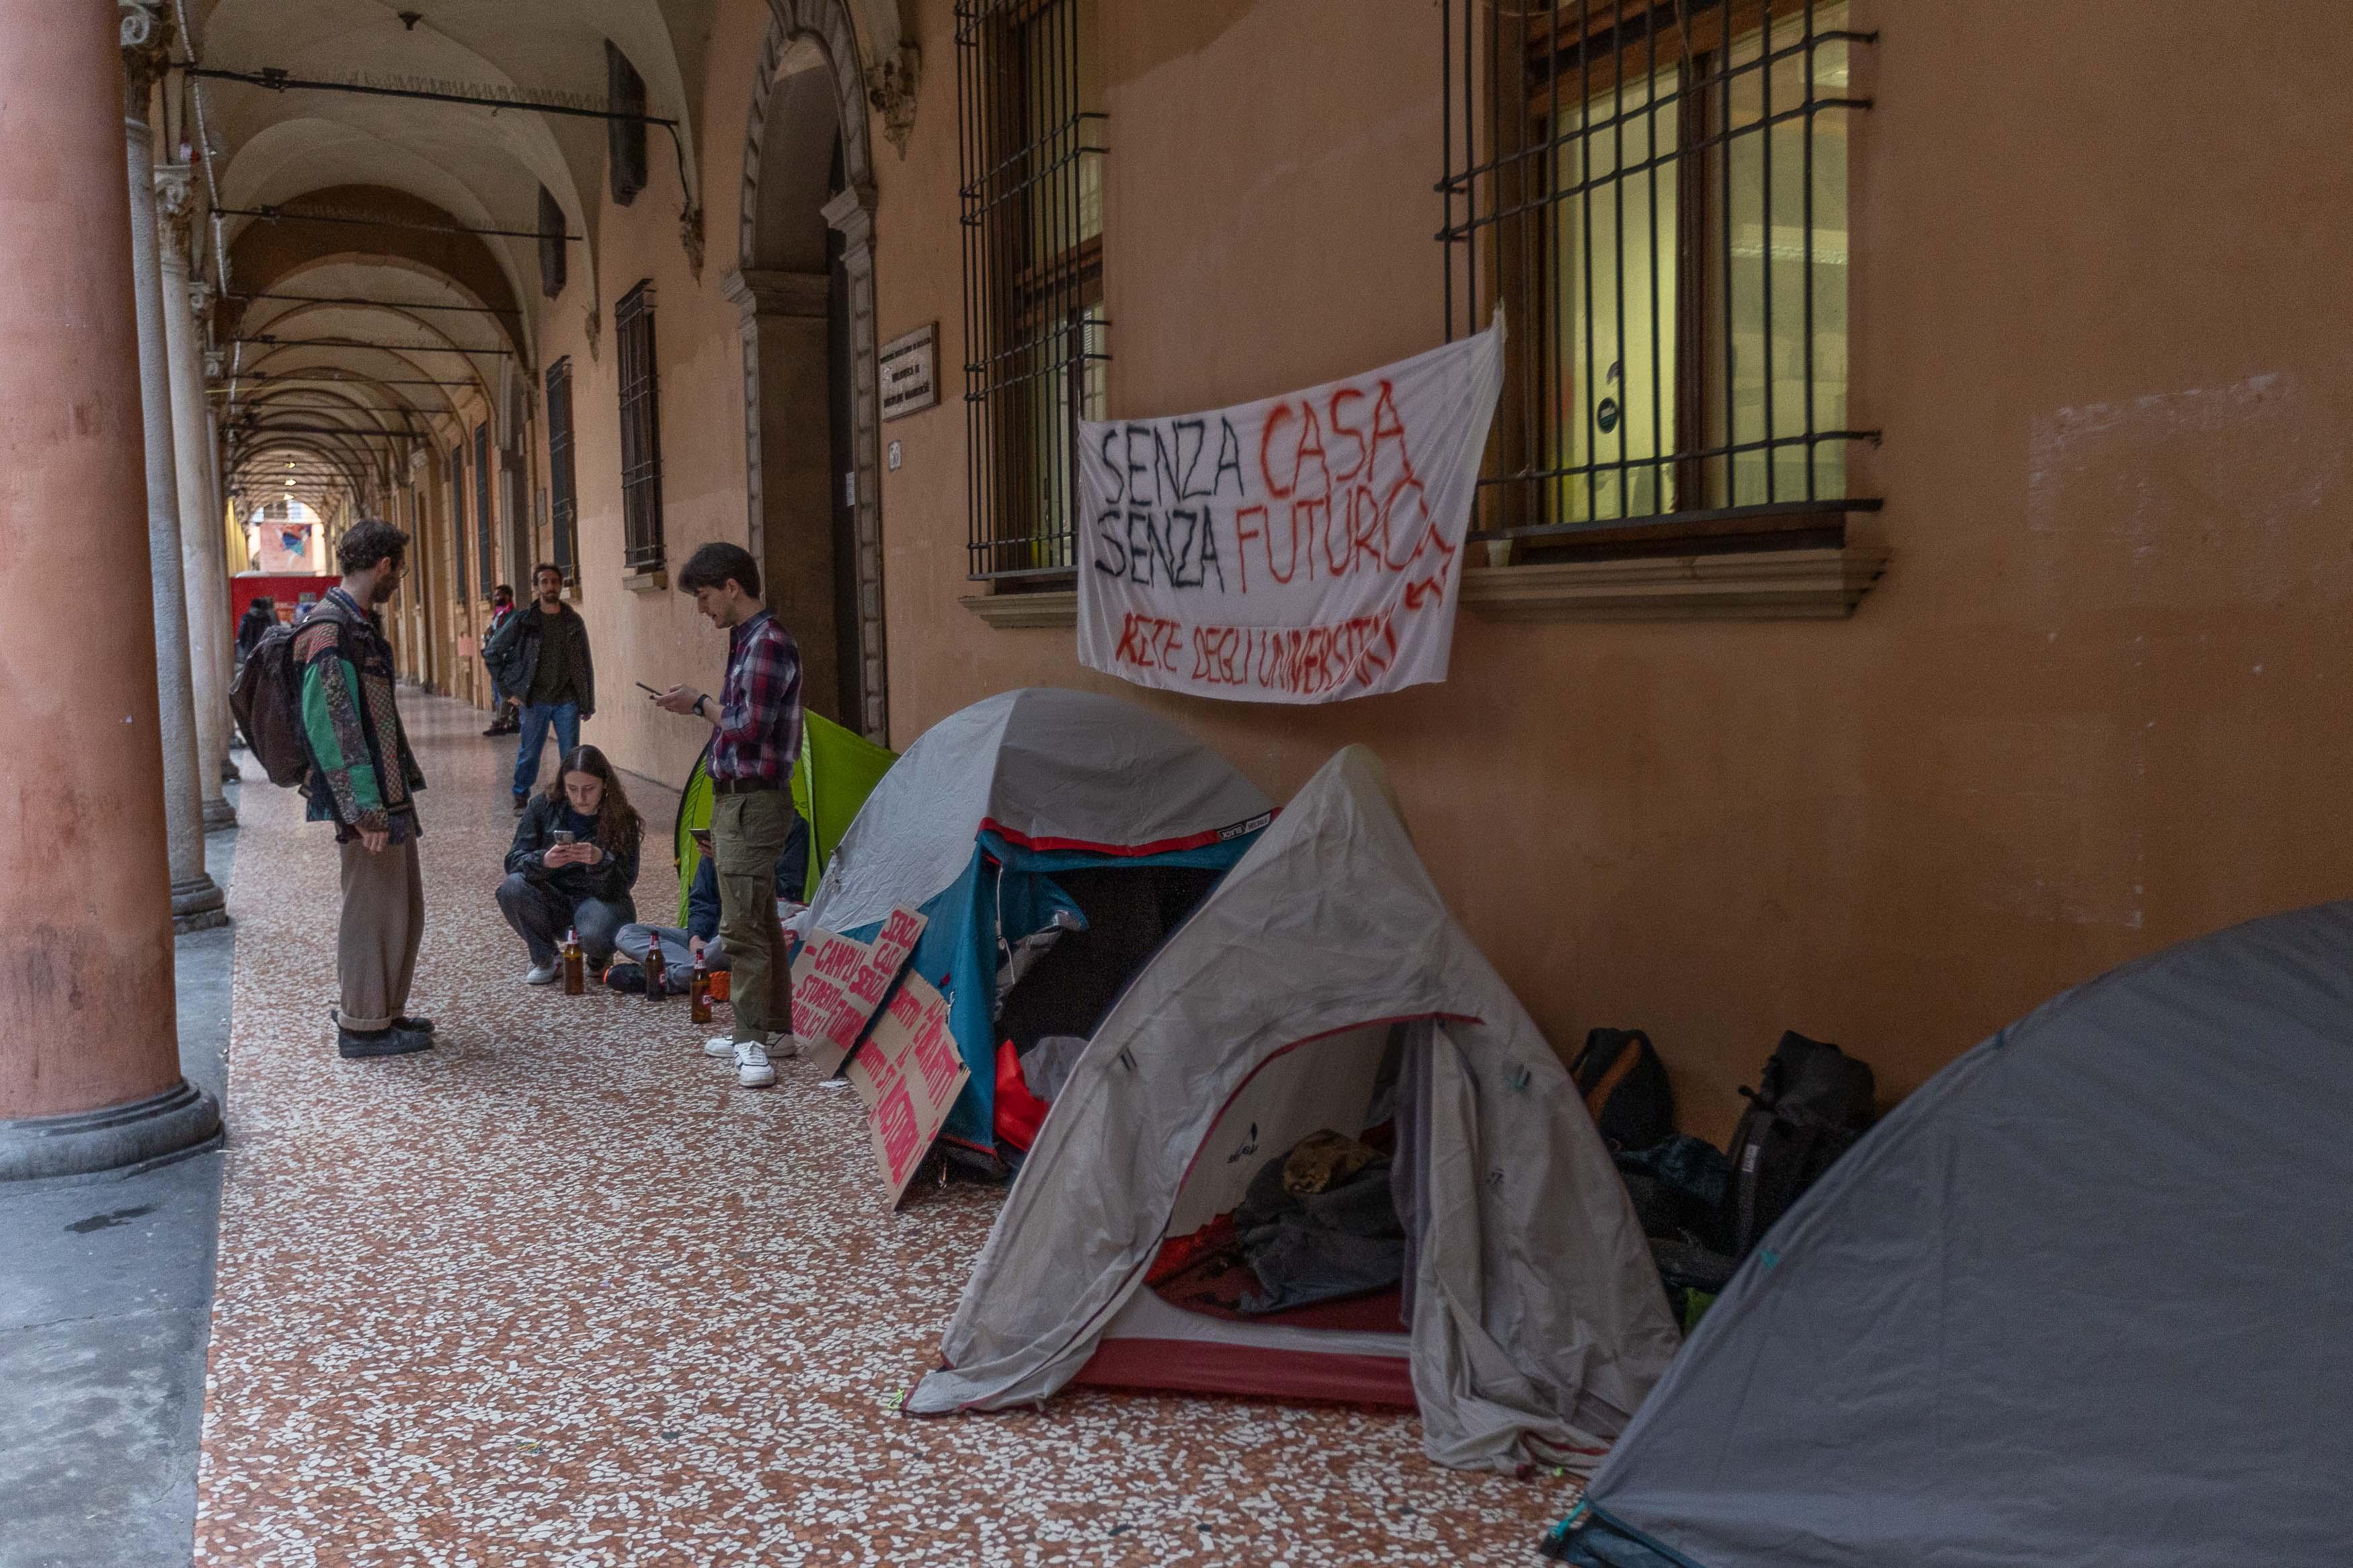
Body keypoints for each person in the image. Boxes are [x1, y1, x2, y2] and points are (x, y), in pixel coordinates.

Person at [655, 542, 801, 1088]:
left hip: (752, 802)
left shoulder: (767, 643)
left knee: (741, 929)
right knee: (761, 916)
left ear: (732, 587)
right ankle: (775, 1032)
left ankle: (750, 1045)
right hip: (737, 800)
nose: (702, 607)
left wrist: (698, 703)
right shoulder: (748, 640)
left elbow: (746, 726)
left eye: (705, 595)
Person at [294, 521, 430, 1060]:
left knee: (401, 906)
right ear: (383, 566)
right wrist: (363, 809)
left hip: (388, 794)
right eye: (398, 566)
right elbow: (332, 721)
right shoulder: (330, 629)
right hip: (368, 802)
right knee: (370, 908)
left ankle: (384, 1010)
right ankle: (362, 1024)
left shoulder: (358, 624)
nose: (399, 576)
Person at [495, 744, 642, 983]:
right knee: (512, 887)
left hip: (599, 899)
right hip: (552, 895)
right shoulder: (542, 806)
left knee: (596, 930)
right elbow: (513, 861)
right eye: (572, 789)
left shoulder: (621, 817)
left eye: (589, 789)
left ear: (605, 784)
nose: (580, 798)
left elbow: (626, 881)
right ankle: (547, 958)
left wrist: (600, 860)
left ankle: (599, 955)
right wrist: (543, 860)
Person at [612, 818, 809, 991]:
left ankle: (665, 980)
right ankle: (706, 972)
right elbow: (702, 900)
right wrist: (696, 938)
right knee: (627, 934)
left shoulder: (792, 827)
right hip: (711, 938)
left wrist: (735, 864)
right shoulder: (724, 829)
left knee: (730, 938)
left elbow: (785, 896)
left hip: (750, 936)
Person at [483, 563, 595, 813]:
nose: (550, 586)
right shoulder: (524, 621)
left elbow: (585, 663)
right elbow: (492, 653)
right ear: (537, 587)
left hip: (567, 699)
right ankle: (521, 796)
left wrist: (588, 702)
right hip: (534, 700)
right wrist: (508, 692)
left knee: (570, 754)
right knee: (530, 752)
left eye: (554, 582)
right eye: (544, 582)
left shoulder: (573, 622)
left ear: (561, 585)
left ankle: (570, 800)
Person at [479, 585, 520, 737]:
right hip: (497, 658)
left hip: (507, 659)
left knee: (505, 689)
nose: (496, 598)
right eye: (495, 595)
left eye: (499, 595)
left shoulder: (513, 615)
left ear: (508, 597)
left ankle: (501, 721)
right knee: (501, 689)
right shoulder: (499, 615)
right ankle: (513, 720)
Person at [235, 596, 276, 663]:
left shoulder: (246, 618)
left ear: (251, 607)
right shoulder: (267, 618)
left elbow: (241, 636)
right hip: (263, 653)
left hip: (248, 654)